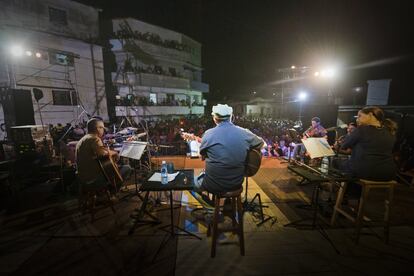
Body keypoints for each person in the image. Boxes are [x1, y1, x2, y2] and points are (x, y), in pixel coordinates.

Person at [194, 104, 264, 194]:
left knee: (191, 182)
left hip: (213, 184)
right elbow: (263, 144)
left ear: (214, 118)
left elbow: (201, 157)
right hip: (236, 183)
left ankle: (210, 206)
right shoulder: (245, 133)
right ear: (231, 117)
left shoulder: (208, 134)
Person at [340, 106, 397, 181]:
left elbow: (344, 146)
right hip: (387, 173)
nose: (357, 119)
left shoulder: (362, 129)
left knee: (335, 162)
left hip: (365, 172)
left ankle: (342, 190)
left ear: (370, 115)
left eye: (360, 116)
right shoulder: (390, 131)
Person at [76, 118, 132, 192]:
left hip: (82, 178)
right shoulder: (94, 138)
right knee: (127, 168)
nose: (103, 130)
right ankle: (113, 193)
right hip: (93, 179)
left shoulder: (83, 139)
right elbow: (102, 154)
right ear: (98, 128)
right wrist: (115, 153)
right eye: (102, 128)